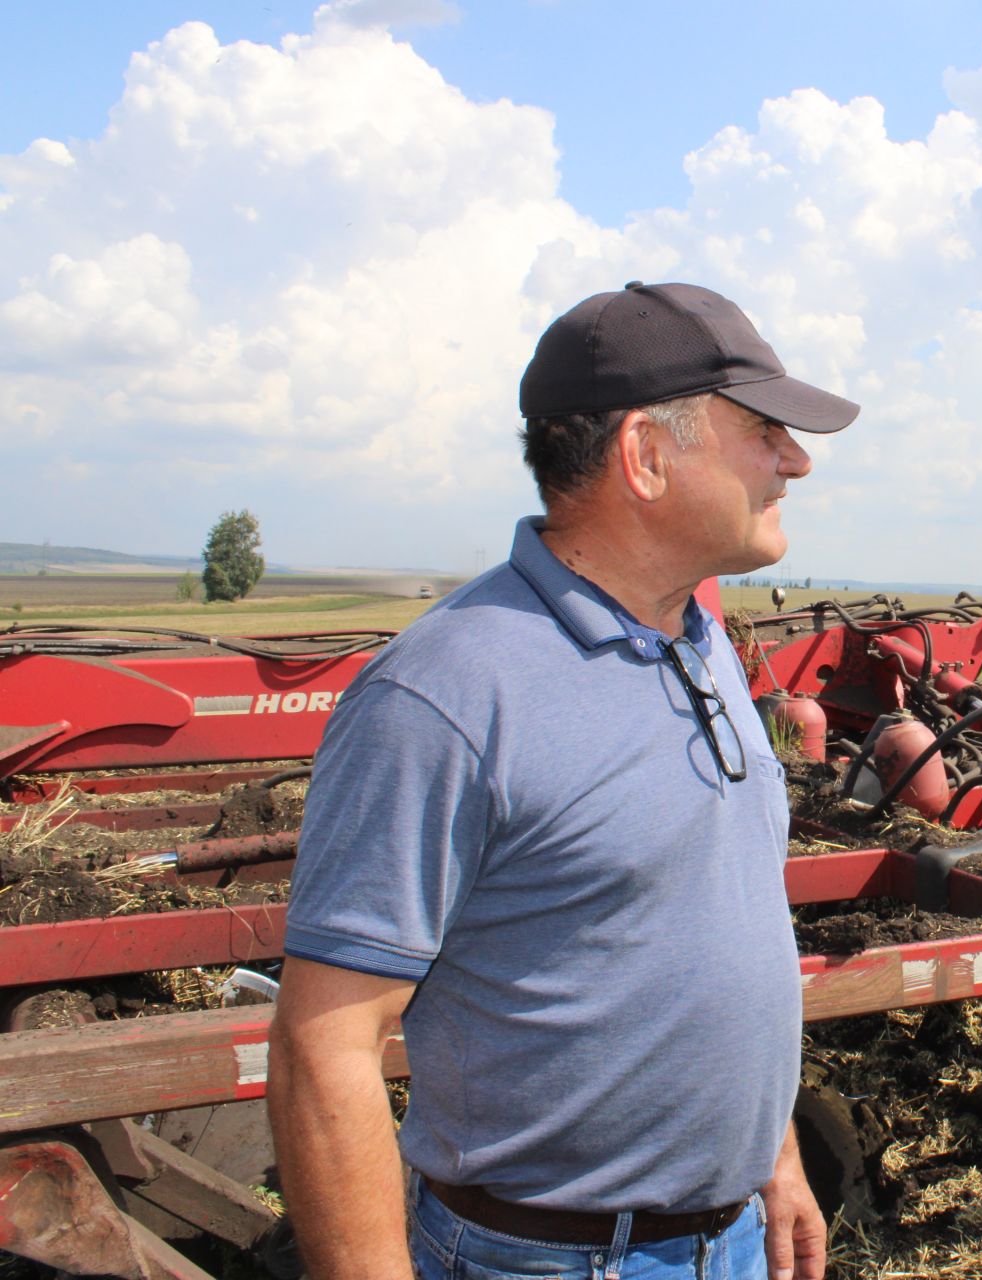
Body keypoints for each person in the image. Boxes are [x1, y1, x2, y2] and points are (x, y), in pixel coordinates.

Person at [267, 281, 858, 1280]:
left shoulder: (699, 638)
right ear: (645, 455)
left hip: (735, 1237)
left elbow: (717, 926)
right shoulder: (447, 692)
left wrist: (771, 1157)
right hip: (548, 1259)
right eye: (763, 428)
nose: (795, 459)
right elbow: (322, 1048)